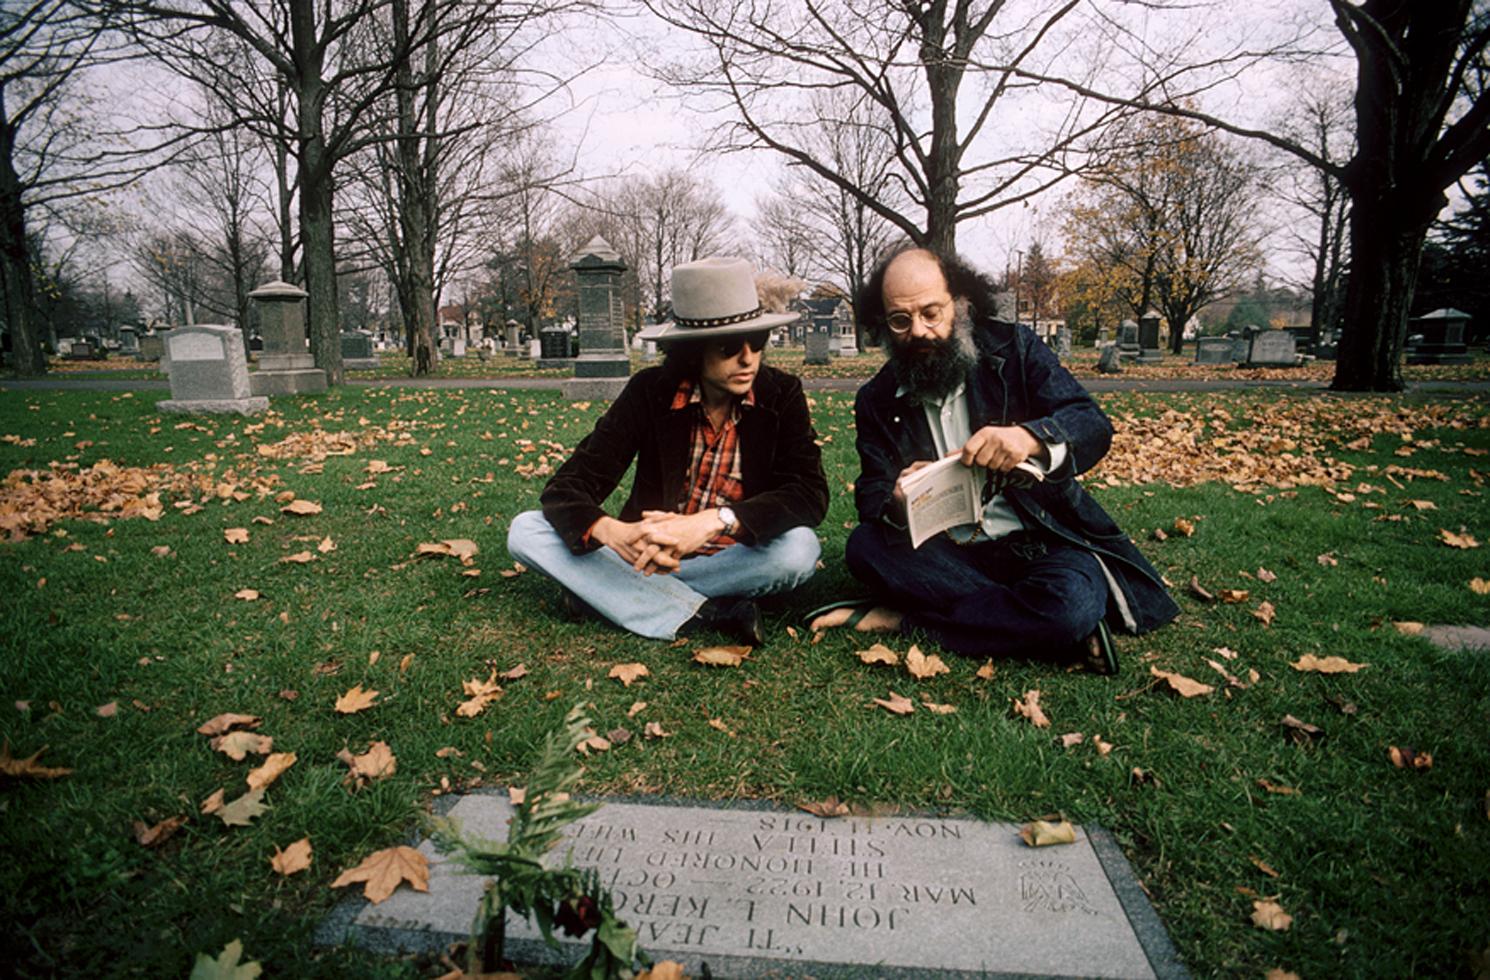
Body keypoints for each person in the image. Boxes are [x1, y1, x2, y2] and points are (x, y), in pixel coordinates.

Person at [810, 246, 1178, 671]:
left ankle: (908, 620)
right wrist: (896, 498)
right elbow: (872, 495)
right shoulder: (875, 399)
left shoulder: (1015, 350)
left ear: (961, 304)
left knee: (1070, 603)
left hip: (1041, 542)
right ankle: (1043, 626)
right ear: (883, 324)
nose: (919, 331)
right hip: (948, 552)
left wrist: (1030, 438)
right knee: (865, 548)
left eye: (932, 313)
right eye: (900, 320)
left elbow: (1091, 424)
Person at [507, 256, 829, 645]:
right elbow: (569, 486)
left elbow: (808, 494)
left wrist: (716, 521)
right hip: (647, 555)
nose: (748, 358)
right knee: (525, 530)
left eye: (757, 342)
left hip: (734, 556)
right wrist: (614, 533)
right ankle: (705, 613)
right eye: (729, 346)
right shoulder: (650, 392)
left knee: (799, 549)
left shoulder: (781, 394)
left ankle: (605, 595)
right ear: (693, 351)